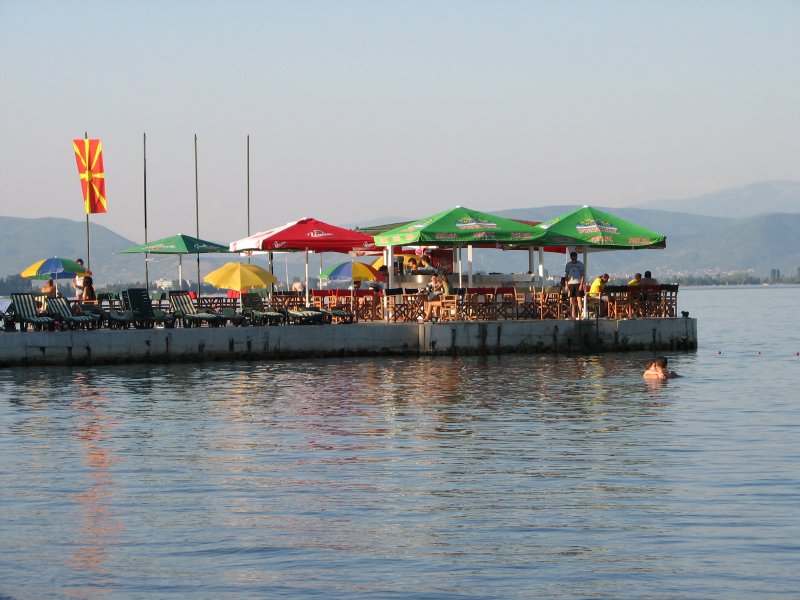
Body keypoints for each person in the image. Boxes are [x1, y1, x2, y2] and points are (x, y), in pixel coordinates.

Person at [564, 251, 585, 319]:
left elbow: (583, 275)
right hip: (570, 283)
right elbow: (566, 275)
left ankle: (580, 315)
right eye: (572, 258)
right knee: (571, 300)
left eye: (574, 258)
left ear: (576, 257)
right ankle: (573, 315)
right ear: (570, 257)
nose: (573, 259)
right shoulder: (568, 265)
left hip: (578, 283)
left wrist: (581, 284)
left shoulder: (580, 264)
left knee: (579, 299)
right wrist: (566, 285)